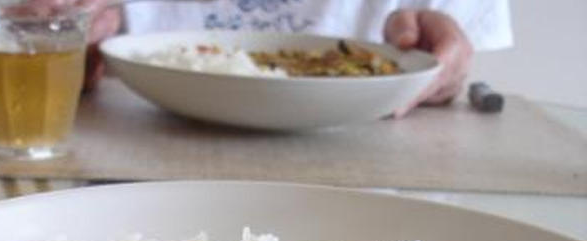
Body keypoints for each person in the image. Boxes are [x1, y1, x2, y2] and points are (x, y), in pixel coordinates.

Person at [53, 0, 513, 114]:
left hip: (370, 191)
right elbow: (65, 53)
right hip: (137, 164)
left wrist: (439, 70)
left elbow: (450, 72)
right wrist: (66, 37)